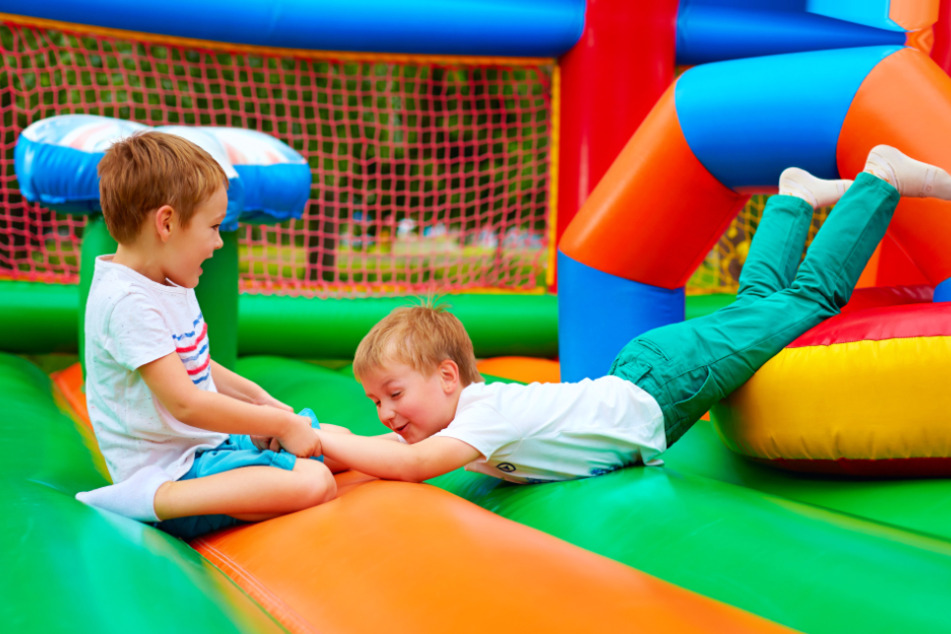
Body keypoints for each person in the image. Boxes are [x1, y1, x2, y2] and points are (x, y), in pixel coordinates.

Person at [312, 145, 951, 484]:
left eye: (393, 394)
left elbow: (404, 465)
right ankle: (793, 199)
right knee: (761, 310)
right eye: (374, 401)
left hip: (667, 385)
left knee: (809, 301)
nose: (386, 414)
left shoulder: (482, 416)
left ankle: (881, 180)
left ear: (449, 378)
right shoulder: (449, 420)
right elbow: (381, 449)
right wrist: (309, 449)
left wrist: (321, 436)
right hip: (649, 373)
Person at [75, 131, 347, 539]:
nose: (220, 243)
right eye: (214, 227)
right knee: (314, 482)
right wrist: (277, 424)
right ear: (166, 223)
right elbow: (185, 403)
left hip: (205, 444)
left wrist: (260, 401)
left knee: (334, 442)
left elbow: (194, 360)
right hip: (174, 468)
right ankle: (145, 500)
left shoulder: (167, 279)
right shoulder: (127, 302)